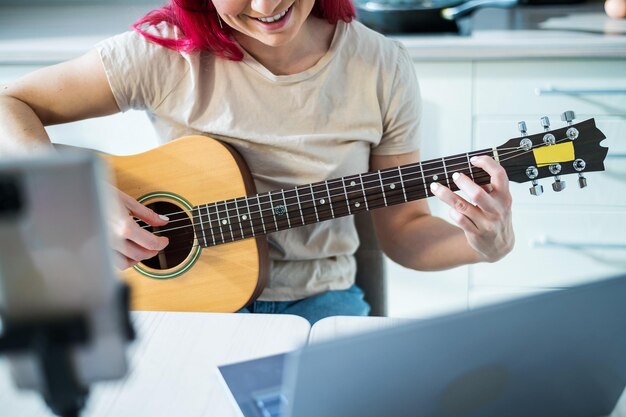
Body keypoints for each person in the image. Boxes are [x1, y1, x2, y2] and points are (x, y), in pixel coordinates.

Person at [0, 0, 514, 324]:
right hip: (176, 310)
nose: (267, 5)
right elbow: (8, 104)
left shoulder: (380, 67)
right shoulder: (165, 51)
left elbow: (403, 232)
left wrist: (485, 246)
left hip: (316, 305)